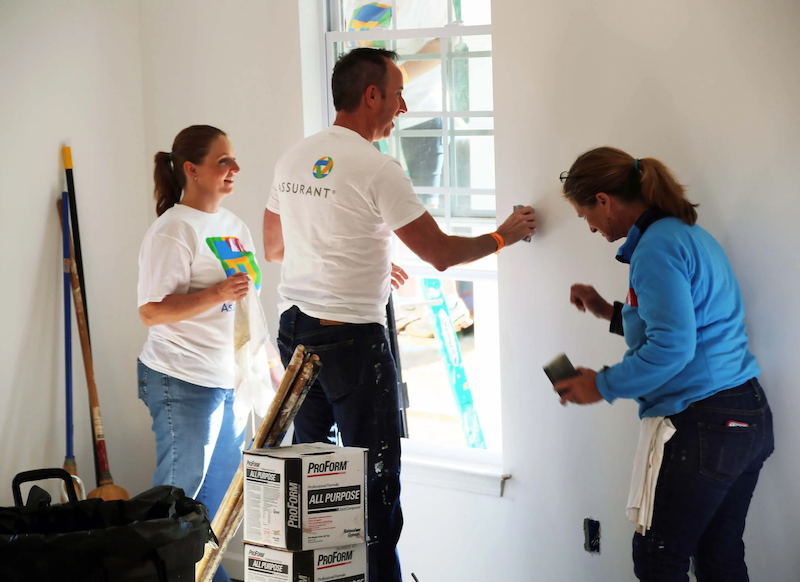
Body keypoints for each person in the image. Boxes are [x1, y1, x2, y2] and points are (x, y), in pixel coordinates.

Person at [263, 48, 536, 582]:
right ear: (372, 97)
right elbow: (440, 254)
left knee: (314, 484)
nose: (403, 106)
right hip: (349, 343)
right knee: (376, 490)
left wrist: (363, 260)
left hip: (295, 332)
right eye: (398, 94)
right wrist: (506, 233)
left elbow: (277, 246)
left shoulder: (294, 157)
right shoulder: (376, 167)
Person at [555, 146, 774, 581]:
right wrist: (605, 310)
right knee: (720, 557)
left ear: (603, 199)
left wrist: (601, 384)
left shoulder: (655, 248)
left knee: (659, 560)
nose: (591, 227)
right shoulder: (684, 234)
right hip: (745, 416)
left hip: (704, 422)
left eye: (586, 216)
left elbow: (673, 347)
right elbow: (681, 322)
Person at [137, 125, 281, 582]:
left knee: (217, 502)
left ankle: (208, 577)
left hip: (229, 379)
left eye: (233, 159)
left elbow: (247, 307)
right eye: (223, 161)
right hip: (182, 379)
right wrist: (217, 290)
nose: (235, 168)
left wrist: (269, 362)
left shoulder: (234, 227)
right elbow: (152, 312)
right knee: (176, 503)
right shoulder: (172, 230)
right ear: (191, 170)